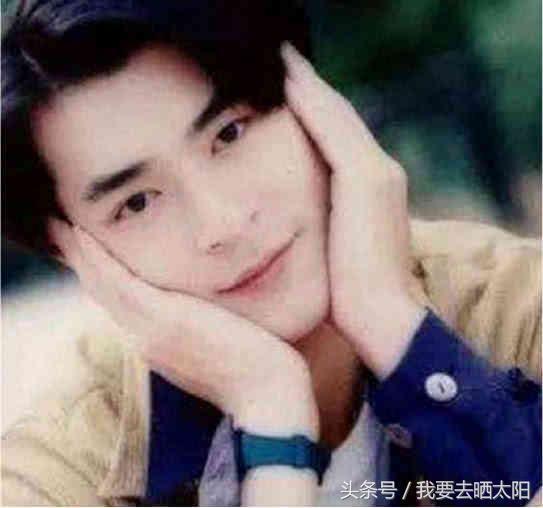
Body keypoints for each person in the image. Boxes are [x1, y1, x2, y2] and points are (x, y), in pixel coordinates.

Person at [1, 0, 541, 506]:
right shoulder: (59, 473)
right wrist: (272, 427)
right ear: (68, 251)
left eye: (230, 133)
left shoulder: (515, 305)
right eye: (137, 203)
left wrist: (390, 323)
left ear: (314, 102)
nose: (223, 223)